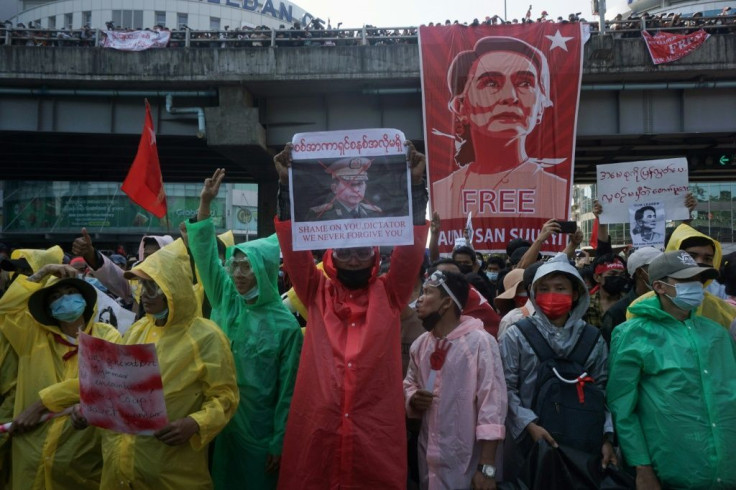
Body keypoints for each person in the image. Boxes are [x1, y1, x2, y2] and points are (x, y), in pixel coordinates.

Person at [272, 141, 428, 490]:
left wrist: (417, 187)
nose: (354, 260)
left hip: (372, 434)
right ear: (331, 256)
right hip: (320, 431)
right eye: (346, 253)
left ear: (375, 256)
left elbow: (411, 250)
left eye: (362, 252)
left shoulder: (390, 295)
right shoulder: (314, 293)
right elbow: (292, 249)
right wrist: (285, 187)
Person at [41, 239, 239, 488]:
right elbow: (116, 386)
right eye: (142, 285)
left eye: (153, 286)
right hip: (119, 471)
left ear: (174, 287)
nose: (144, 294)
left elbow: (225, 397)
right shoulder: (136, 331)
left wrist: (195, 423)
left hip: (171, 474)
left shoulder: (206, 337)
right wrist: (89, 409)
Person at [186, 168, 303, 490]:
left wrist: (280, 441)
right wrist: (205, 205)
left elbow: (288, 391)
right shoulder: (227, 298)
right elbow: (206, 256)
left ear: (264, 270)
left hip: (258, 432)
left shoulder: (286, 326)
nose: (237, 273)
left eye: (246, 266)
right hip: (218, 424)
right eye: (234, 265)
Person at [608, 250, 736, 488]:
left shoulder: (717, 333)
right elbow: (622, 407)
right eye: (686, 281)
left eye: (698, 280)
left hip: (727, 469)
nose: (696, 287)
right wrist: (642, 467)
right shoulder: (632, 334)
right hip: (673, 471)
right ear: (659, 286)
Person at [2, 264, 120, 490]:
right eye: (55, 296)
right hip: (30, 460)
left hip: (78, 465)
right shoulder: (32, 337)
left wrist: (42, 404)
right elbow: (7, 308)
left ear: (84, 299)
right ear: (48, 308)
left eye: (70, 293)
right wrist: (43, 272)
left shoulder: (107, 336)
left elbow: (102, 381)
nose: (64, 299)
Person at [499, 254, 615, 479]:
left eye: (560, 288)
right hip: (528, 442)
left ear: (575, 293)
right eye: (544, 289)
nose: (552, 295)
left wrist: (605, 437)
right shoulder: (516, 335)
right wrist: (528, 425)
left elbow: (602, 392)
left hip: (581, 443)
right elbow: (505, 388)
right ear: (533, 294)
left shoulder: (592, 338)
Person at [432, 36, 568, 220]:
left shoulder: (557, 191)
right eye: (491, 83)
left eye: (525, 83)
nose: (510, 97)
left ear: (540, 107)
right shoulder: (441, 191)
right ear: (460, 107)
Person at [404, 271, 507, 490]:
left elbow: (493, 405)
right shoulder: (420, 345)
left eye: (428, 292)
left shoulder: (481, 343)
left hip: (468, 464)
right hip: (428, 462)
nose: (419, 299)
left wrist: (486, 468)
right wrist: (413, 398)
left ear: (447, 302)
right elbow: (409, 383)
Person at [600, 247, 661, 345]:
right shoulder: (618, 312)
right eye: (657, 267)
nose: (662, 273)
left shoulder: (668, 303)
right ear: (640, 272)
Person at [306, 156, 382, 220]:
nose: (356, 190)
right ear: (334, 188)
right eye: (349, 184)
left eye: (360, 183)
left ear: (365, 186)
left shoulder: (374, 212)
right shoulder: (320, 215)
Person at [585, 254, 628, 328]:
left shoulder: (630, 303)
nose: (618, 278)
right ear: (597, 277)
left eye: (621, 275)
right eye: (613, 274)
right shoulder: (586, 304)